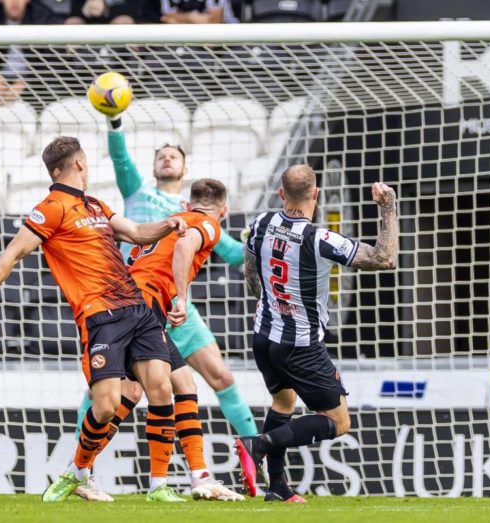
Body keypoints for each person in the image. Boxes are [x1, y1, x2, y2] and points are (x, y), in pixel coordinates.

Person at [0, 137, 188, 502]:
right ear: (79, 163)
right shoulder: (51, 208)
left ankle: (158, 487)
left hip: (137, 310)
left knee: (162, 388)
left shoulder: (96, 205)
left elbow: (137, 233)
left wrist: (171, 224)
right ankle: (77, 472)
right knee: (105, 405)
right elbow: (13, 252)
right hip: (100, 317)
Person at [76, 101, 262, 497]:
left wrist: (258, 245)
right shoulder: (137, 192)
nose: (165, 158)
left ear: (184, 169)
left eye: (172, 155)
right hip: (139, 298)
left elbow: (229, 250)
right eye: (160, 155)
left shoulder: (194, 212)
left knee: (219, 377)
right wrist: (115, 123)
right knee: (117, 390)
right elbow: (121, 158)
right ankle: (83, 469)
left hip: (176, 304)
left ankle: (257, 459)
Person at [239, 165, 399, 503]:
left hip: (264, 336)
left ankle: (277, 488)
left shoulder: (259, 224)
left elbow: (252, 280)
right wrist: (388, 207)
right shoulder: (321, 238)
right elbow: (384, 258)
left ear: (281, 194)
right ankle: (259, 444)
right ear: (316, 194)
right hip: (300, 345)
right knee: (339, 421)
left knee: (283, 402)